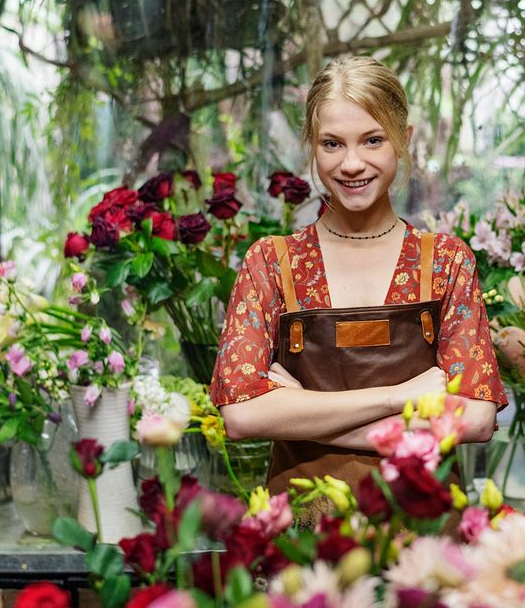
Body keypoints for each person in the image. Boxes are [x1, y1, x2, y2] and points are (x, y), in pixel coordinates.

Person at [210, 55, 506, 499]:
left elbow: (476, 419)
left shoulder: (445, 261)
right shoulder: (273, 263)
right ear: (311, 145)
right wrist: (399, 397)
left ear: (403, 141)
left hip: (420, 536)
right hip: (304, 537)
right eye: (332, 144)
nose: (351, 164)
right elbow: (241, 417)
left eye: (372, 140)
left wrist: (300, 417)